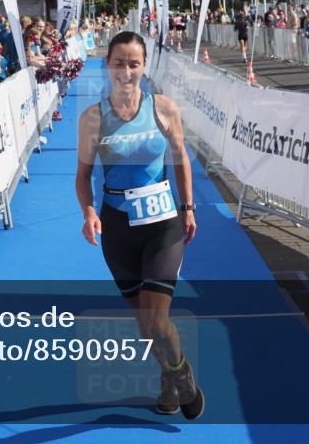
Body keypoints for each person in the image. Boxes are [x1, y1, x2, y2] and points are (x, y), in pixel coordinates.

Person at [75, 32, 203, 419]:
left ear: (144, 66)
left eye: (134, 63)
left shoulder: (163, 108)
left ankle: (181, 374)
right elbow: (82, 177)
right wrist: (89, 212)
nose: (126, 71)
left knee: (157, 318)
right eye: (119, 62)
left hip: (162, 221)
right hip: (118, 225)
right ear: (107, 65)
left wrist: (189, 208)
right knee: (145, 327)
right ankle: (168, 375)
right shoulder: (93, 118)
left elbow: (180, 158)